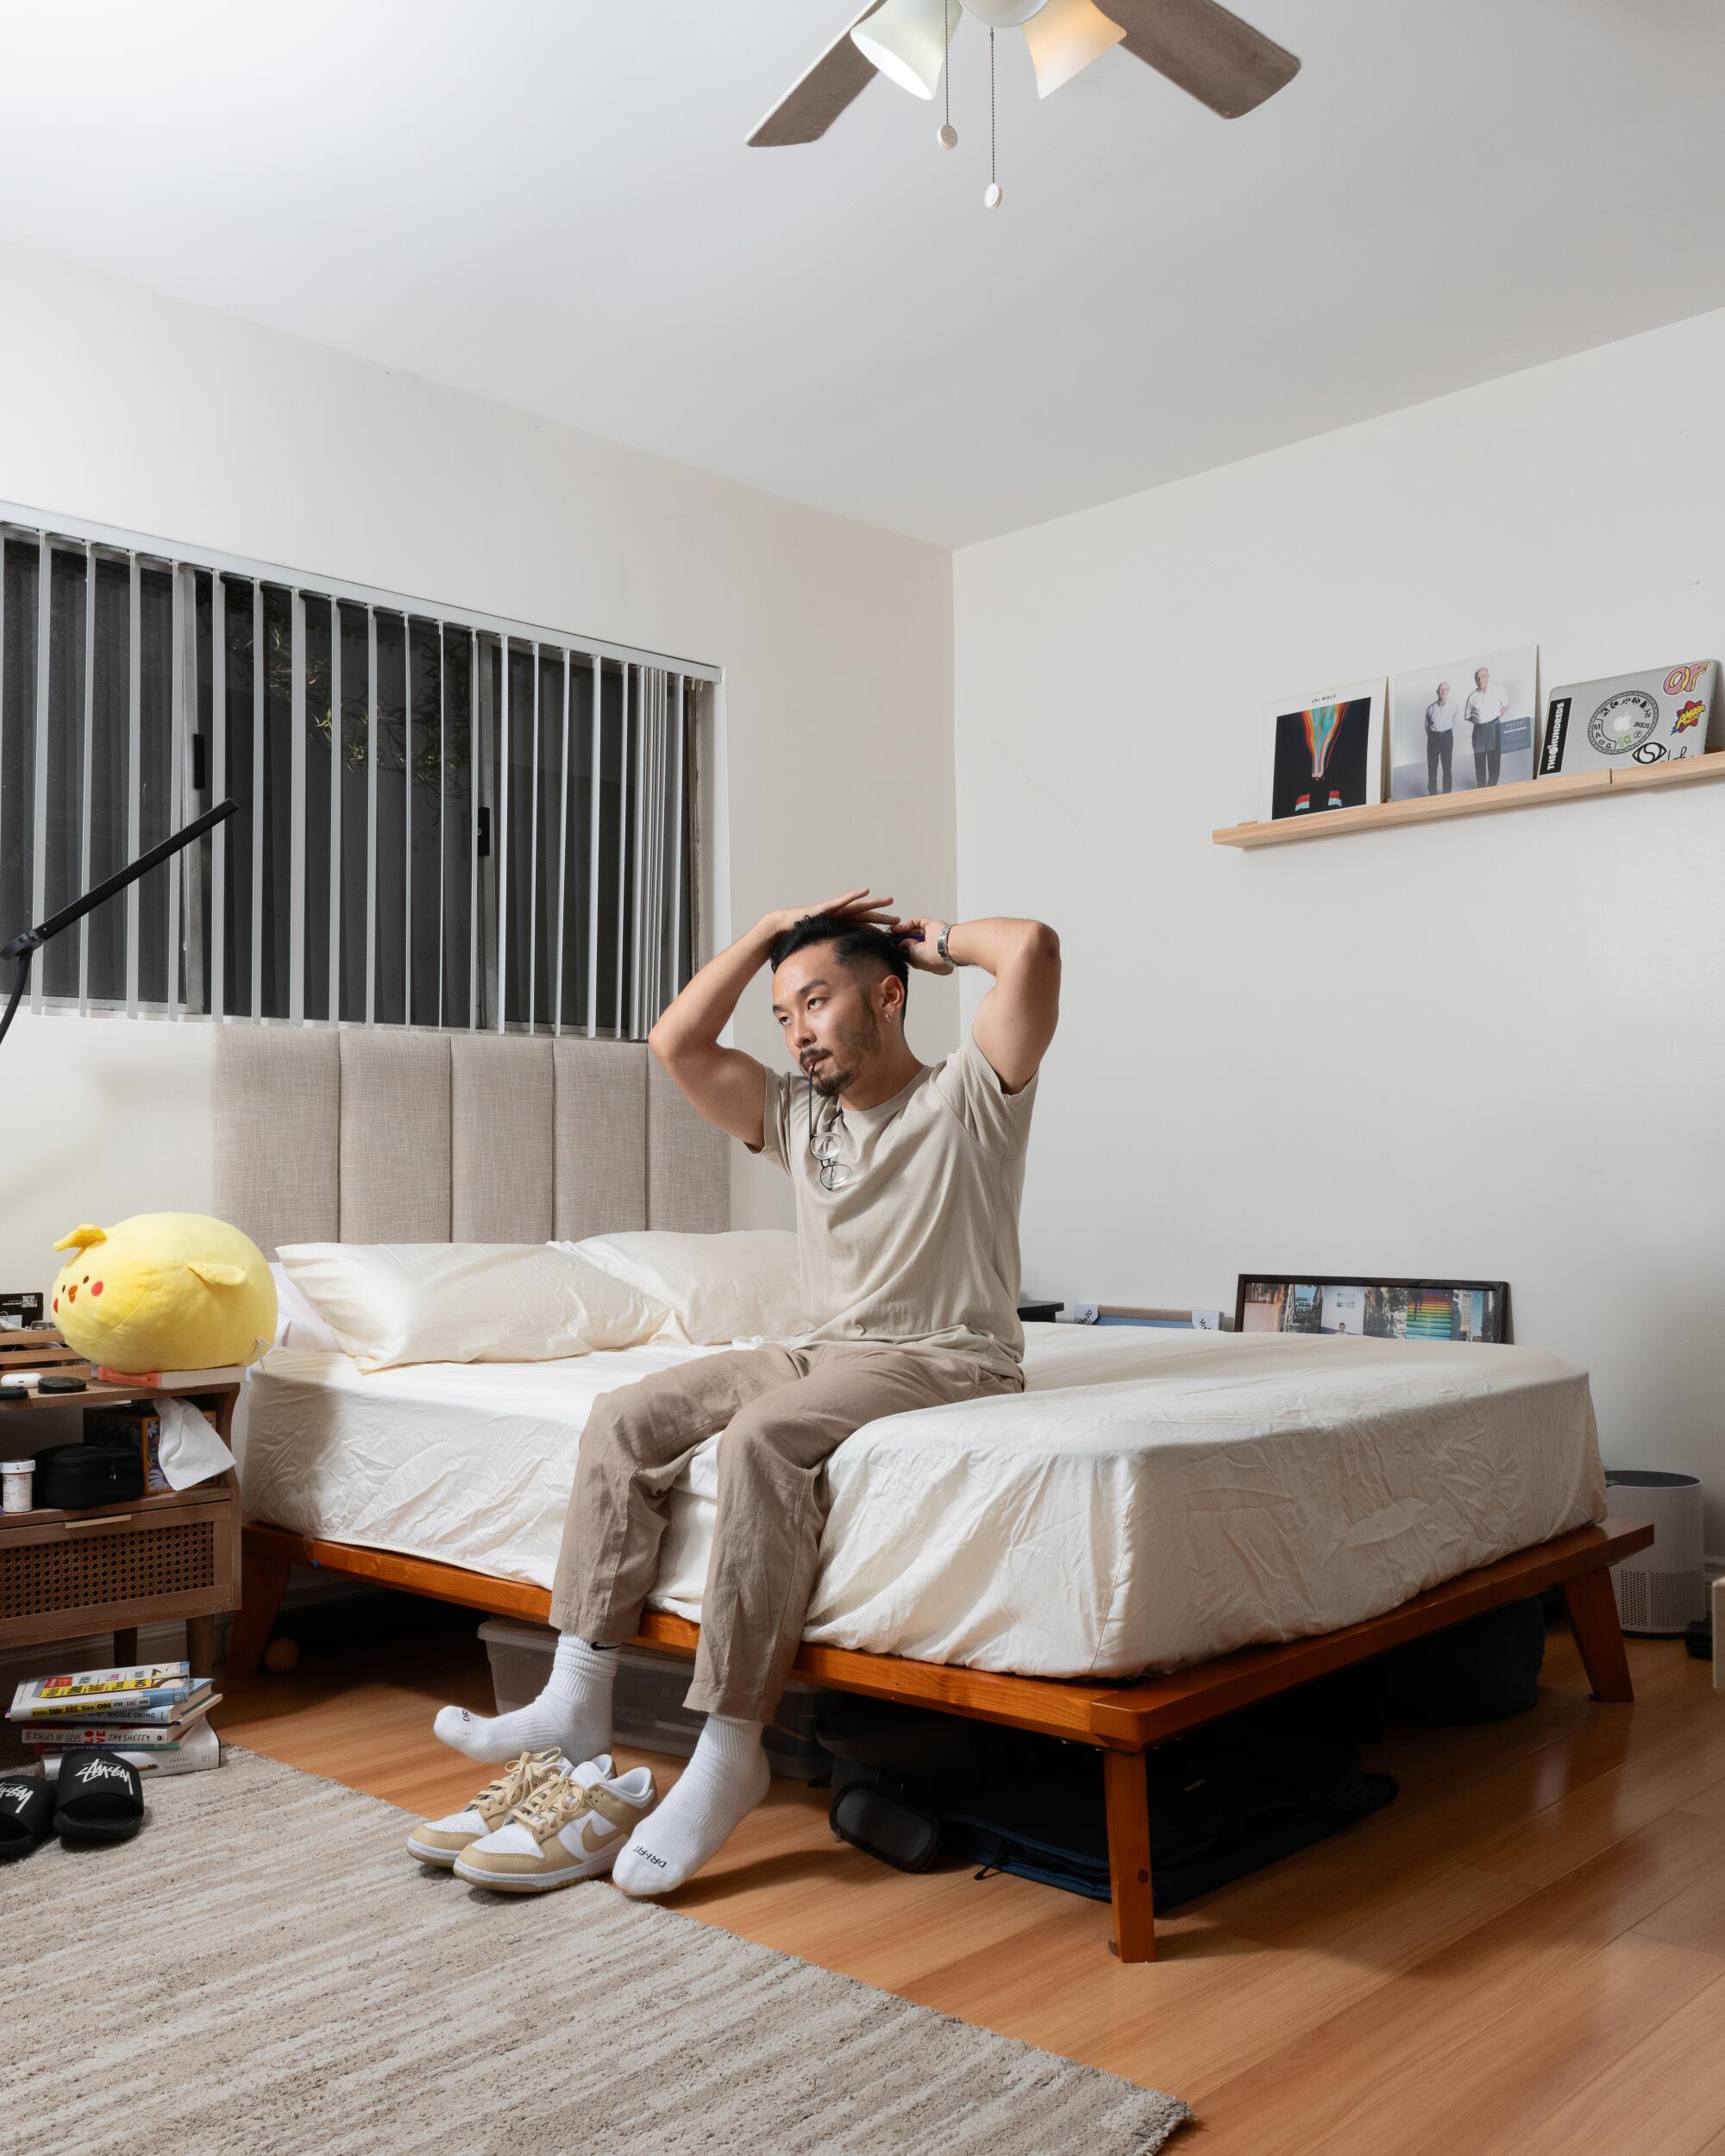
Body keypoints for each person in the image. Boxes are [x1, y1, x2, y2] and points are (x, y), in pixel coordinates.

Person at [433, 887, 1061, 1896]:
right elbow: (675, 1039)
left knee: (761, 1441)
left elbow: (1028, 946)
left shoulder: (969, 1098)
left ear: (889, 998)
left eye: (814, 1003)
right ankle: (575, 1694)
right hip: (816, 1347)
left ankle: (730, 1748)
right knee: (626, 1415)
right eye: (781, 1015)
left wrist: (927, 939)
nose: (796, 1032)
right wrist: (773, 934)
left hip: (942, 1352)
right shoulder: (795, 1117)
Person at [1465, 665, 1510, 788]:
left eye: (1483, 676)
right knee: (1479, 760)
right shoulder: (1472, 697)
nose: (1480, 680)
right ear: (1476, 680)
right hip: (1479, 731)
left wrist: (1496, 716)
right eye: (1478, 678)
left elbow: (1506, 704)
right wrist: (1480, 721)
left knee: (1494, 760)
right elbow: (1468, 717)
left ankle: (1492, 788)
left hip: (1494, 728)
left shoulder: (1498, 690)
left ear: (1488, 676)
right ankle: (1481, 789)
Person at [1424, 680, 1457, 796]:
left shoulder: (1453, 705)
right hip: (1433, 739)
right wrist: (1435, 736)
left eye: (1446, 689)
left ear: (1449, 691)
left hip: (1447, 738)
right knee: (1432, 769)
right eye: (1441, 689)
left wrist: (1446, 734)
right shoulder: (1430, 708)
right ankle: (1432, 795)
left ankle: (1447, 794)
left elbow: (1454, 722)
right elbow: (1427, 727)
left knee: (1447, 768)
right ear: (1437, 692)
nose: (1443, 692)